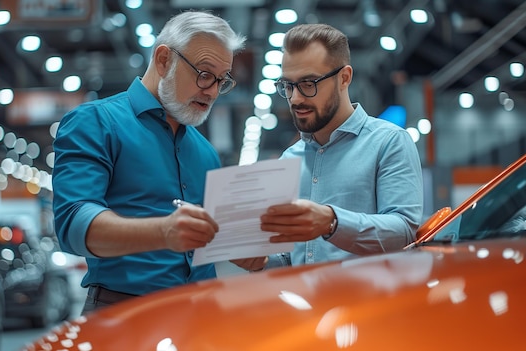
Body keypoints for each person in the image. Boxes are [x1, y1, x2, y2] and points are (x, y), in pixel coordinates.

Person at [52, 10, 246, 313]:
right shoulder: (96, 123)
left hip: (201, 313)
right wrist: (162, 232)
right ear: (164, 59)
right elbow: (74, 223)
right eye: (205, 74)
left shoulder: (206, 152)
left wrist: (244, 249)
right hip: (123, 315)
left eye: (222, 81)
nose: (212, 91)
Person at [233, 23, 423, 272]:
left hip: (369, 306)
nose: (296, 98)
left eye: (309, 83)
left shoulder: (389, 142)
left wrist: (331, 223)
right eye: (288, 86)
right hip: (304, 306)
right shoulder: (288, 160)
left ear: (344, 78)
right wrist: (262, 262)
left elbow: (404, 234)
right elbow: (292, 257)